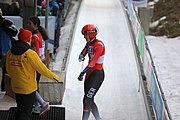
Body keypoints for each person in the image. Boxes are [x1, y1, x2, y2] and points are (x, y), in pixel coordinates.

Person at [6, 28, 60, 120]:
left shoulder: (10, 52)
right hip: (28, 88)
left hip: (16, 86)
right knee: (26, 113)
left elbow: (8, 69)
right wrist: (55, 77)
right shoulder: (30, 54)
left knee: (20, 109)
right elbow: (42, 69)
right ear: (29, 40)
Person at [78, 24, 105, 120]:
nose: (84, 37)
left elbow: (93, 62)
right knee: (89, 99)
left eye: (85, 35)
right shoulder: (89, 43)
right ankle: (98, 118)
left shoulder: (99, 45)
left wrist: (83, 72)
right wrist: (81, 55)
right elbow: (85, 50)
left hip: (97, 74)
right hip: (90, 75)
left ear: (90, 34)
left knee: (87, 99)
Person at [27, 16, 50, 115]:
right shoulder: (39, 35)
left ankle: (43, 103)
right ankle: (37, 106)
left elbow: (36, 52)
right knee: (34, 85)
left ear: (35, 25)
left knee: (31, 86)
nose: (28, 25)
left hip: (38, 63)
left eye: (30, 23)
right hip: (41, 61)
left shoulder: (35, 37)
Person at [0, 9, 18, 91]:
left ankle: (5, 88)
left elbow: (14, 32)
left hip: (6, 50)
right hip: (4, 49)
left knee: (6, 70)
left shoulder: (6, 22)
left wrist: (5, 25)